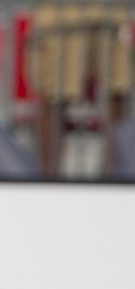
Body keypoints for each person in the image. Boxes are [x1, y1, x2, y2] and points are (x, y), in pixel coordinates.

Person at [29, 3, 133, 177]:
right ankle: (47, 183)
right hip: (61, 13)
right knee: (54, 97)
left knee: (118, 93)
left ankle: (117, 177)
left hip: (114, 12)